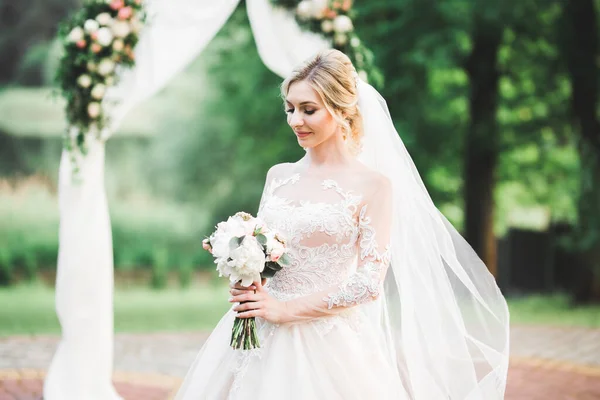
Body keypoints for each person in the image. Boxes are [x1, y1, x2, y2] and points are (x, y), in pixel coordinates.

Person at [174, 49, 510, 400]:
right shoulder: (278, 176)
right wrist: (243, 267)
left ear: (340, 109)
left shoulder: (374, 186)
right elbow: (269, 254)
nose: (295, 121)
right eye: (290, 108)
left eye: (308, 110)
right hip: (258, 333)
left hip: (328, 343)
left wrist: (287, 310)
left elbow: (368, 283)